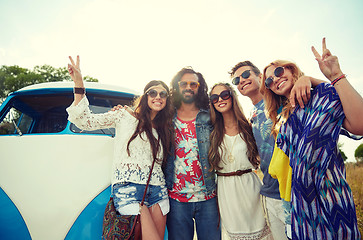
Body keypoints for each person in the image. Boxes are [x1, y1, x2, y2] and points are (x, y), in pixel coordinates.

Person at [260, 38, 362, 239]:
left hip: (332, 194)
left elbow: (359, 125)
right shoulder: (283, 121)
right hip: (300, 204)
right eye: (269, 81)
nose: (275, 79)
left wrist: (332, 76)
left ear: (290, 69)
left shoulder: (322, 95)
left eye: (278, 71)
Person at [66, 56, 174, 240]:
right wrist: (78, 82)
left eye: (163, 94)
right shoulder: (123, 115)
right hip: (128, 189)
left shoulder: (165, 127)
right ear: (145, 96)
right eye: (152, 92)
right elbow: (84, 120)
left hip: (158, 190)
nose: (158, 97)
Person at [229, 60, 316, 239]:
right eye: (236, 80)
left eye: (246, 75)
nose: (242, 81)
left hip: (295, 192)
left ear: (260, 77)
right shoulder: (251, 115)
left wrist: (306, 79)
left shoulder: (281, 99)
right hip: (269, 193)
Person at [208, 82, 272, 239]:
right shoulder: (211, 131)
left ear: (232, 97)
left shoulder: (249, 126)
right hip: (226, 190)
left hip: (251, 188)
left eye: (224, 95)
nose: (220, 100)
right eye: (215, 98)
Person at [163, 67, 221, 240]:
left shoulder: (210, 114)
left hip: (208, 196)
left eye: (193, 84)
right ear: (177, 86)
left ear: (199, 87)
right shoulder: (166, 115)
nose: (188, 87)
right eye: (184, 83)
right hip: (176, 198)